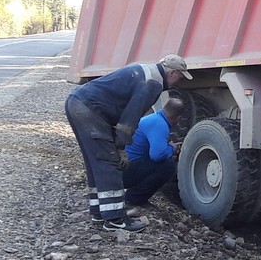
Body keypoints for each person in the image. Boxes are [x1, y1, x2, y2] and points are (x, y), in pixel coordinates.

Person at [64, 54, 189, 231]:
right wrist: (120, 147)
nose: (179, 81)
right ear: (173, 72)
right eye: (181, 77)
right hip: (90, 110)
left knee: (96, 162)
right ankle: (115, 219)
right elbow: (131, 117)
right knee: (109, 162)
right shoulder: (154, 83)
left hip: (79, 104)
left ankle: (99, 212)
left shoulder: (147, 71)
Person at [123, 96, 185, 216]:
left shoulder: (155, 119)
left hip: (123, 166)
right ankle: (134, 198)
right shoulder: (161, 125)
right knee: (168, 166)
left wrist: (168, 147)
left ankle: (133, 196)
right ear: (178, 118)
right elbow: (157, 155)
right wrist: (172, 149)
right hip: (125, 172)